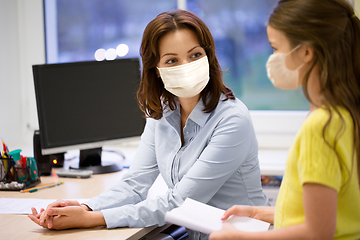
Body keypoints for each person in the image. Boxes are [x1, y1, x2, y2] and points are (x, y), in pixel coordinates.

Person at [28, 9, 269, 239]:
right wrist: (85, 206)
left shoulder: (232, 119)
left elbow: (180, 203)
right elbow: (135, 185)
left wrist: (91, 218)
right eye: (172, 60)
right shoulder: (163, 113)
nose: (185, 66)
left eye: (195, 55)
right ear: (156, 70)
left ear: (209, 56)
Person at [209, 0, 360, 239]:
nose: (272, 58)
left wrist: (239, 237)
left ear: (306, 52)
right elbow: (329, 210)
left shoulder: (321, 126)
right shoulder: (346, 113)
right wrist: (259, 212)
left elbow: (317, 232)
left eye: (276, 48)